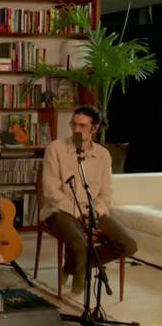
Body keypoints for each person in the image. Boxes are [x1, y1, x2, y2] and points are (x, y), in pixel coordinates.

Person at [41, 105, 137, 294]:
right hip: (61, 209)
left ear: (95, 128)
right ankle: (78, 282)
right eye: (74, 125)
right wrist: (78, 213)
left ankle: (74, 266)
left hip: (93, 210)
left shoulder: (103, 155)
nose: (76, 130)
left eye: (83, 126)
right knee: (79, 244)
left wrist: (93, 212)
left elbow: (106, 193)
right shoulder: (55, 148)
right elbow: (51, 190)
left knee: (128, 244)